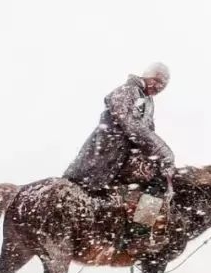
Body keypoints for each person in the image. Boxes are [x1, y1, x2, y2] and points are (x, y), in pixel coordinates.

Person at [65, 63, 176, 208]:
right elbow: (133, 126)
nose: (160, 86)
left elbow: (148, 132)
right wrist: (164, 152)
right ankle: (141, 227)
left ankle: (140, 217)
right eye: (157, 80)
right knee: (156, 180)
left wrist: (160, 157)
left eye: (164, 84)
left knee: (156, 177)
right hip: (105, 156)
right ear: (147, 76)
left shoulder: (148, 102)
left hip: (123, 157)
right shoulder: (127, 91)